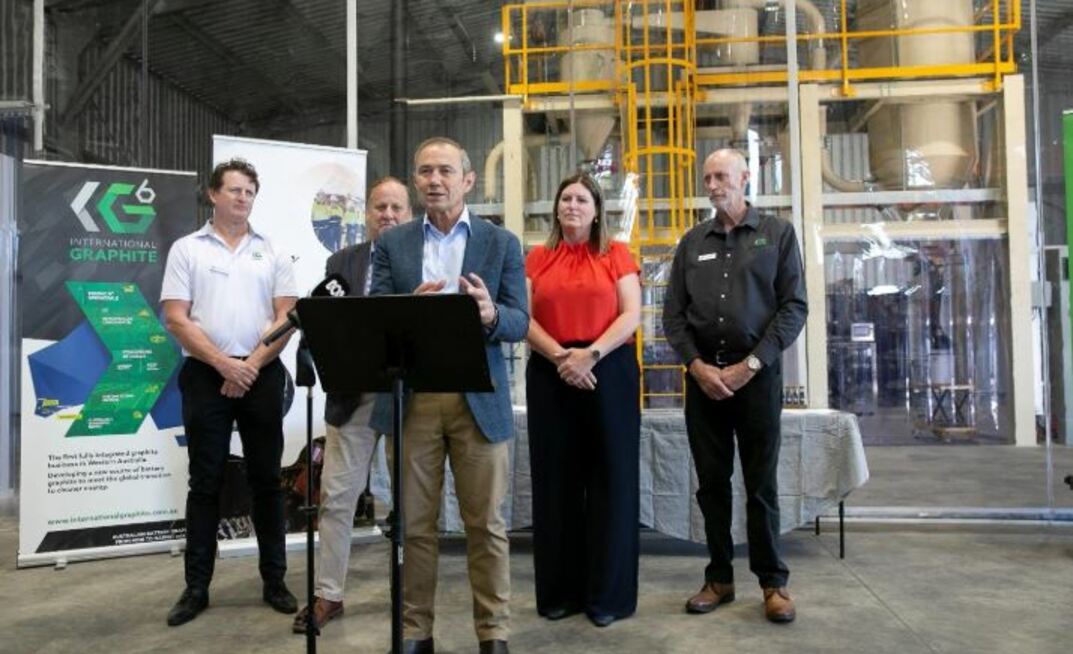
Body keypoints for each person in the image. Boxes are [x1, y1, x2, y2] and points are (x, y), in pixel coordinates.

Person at [369, 137, 528, 654]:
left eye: (444, 171)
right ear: (415, 182)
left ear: (468, 180)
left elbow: (520, 319)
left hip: (478, 399)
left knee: (488, 526)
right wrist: (402, 313)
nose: (434, 180)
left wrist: (489, 315)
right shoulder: (393, 244)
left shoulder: (500, 243)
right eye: (424, 172)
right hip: (414, 400)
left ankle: (493, 632)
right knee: (415, 525)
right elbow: (374, 314)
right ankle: (416, 632)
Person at [662, 148, 807, 624]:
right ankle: (719, 578)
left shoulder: (777, 235)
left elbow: (793, 308)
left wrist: (751, 364)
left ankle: (773, 583)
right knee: (712, 485)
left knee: (760, 485)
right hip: (704, 385)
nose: (713, 185)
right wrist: (698, 367)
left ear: (747, 177)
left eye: (722, 176)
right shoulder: (692, 242)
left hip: (756, 382)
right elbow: (674, 318)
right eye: (707, 178)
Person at [160, 158, 300, 626]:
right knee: (206, 483)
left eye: (249, 192)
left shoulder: (273, 251)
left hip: (261, 374)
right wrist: (223, 364)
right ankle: (196, 588)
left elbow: (287, 316)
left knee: (266, 482)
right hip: (205, 376)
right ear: (213, 195)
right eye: (234, 190)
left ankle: (274, 581)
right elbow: (176, 317)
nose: (242, 198)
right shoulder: (187, 249)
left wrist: (250, 365)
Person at [292, 177, 413, 634]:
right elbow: (326, 324)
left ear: (409, 213)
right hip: (352, 399)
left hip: (406, 398)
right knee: (338, 499)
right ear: (367, 214)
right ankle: (329, 595)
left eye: (396, 207)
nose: (387, 214)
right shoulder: (341, 261)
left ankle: (409, 598)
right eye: (379, 206)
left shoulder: (421, 260)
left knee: (411, 504)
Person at [524, 173, 641, 627]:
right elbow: (522, 315)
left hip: (607, 366)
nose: (572, 205)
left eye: (581, 199)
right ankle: (559, 593)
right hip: (551, 370)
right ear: (556, 208)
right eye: (565, 197)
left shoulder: (616, 254)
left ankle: (607, 597)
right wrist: (561, 358)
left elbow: (631, 313)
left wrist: (589, 355)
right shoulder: (537, 257)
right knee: (555, 483)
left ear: (596, 211)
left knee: (611, 482)